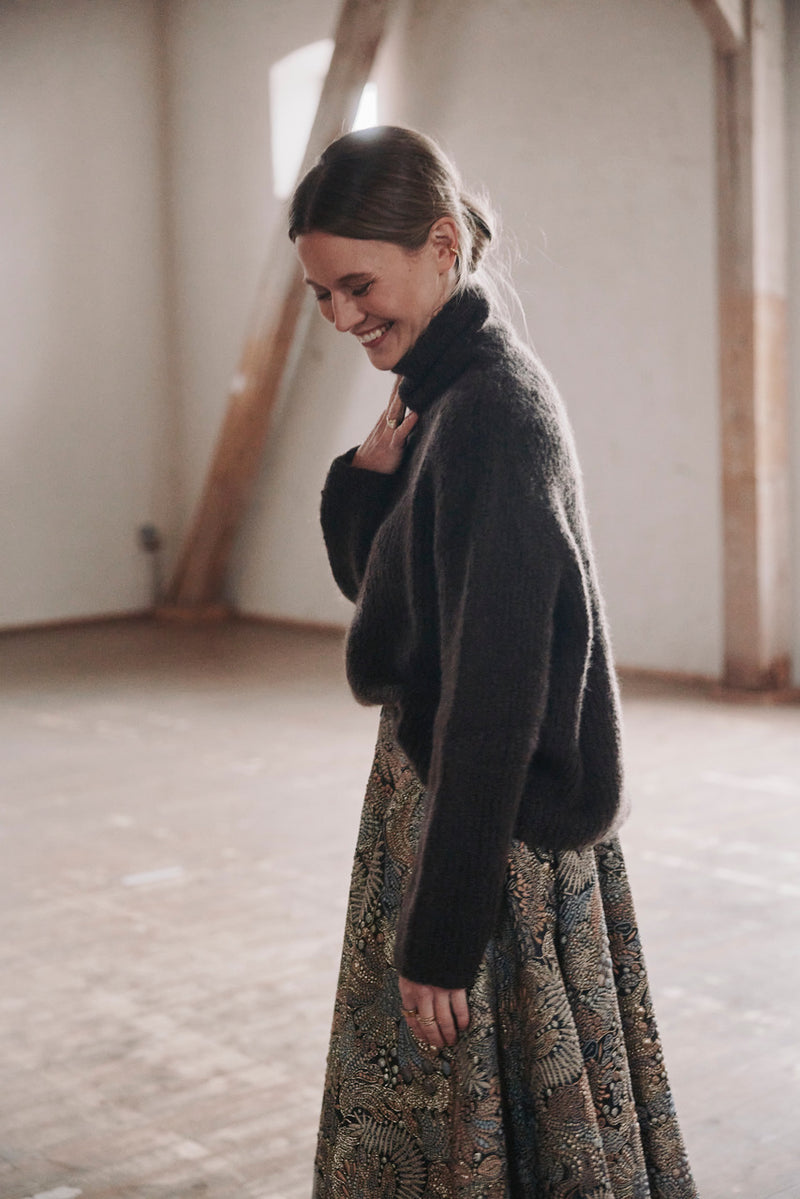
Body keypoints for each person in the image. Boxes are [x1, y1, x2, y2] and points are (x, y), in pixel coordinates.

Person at [290, 125, 697, 1199]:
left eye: (357, 285)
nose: (342, 315)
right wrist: (364, 480)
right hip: (448, 814)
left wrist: (440, 937)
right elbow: (392, 603)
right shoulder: (436, 395)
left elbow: (493, 700)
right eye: (321, 294)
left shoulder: (491, 414)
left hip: (487, 838)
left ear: (440, 245)